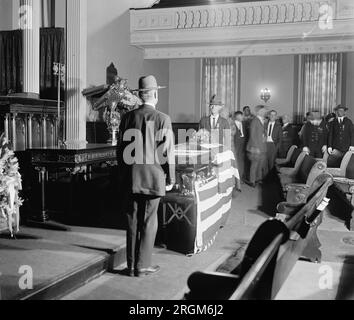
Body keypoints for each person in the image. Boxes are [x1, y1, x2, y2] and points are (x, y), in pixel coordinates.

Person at [117, 75, 175, 277]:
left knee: (132, 220)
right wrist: (171, 178)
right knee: (150, 221)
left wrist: (124, 175)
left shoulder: (127, 118)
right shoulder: (162, 118)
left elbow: (120, 152)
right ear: (155, 94)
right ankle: (143, 265)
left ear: (140, 96)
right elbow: (166, 153)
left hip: (131, 177)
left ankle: (131, 265)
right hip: (153, 177)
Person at [246, 105, 267, 188]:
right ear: (258, 111)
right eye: (263, 111)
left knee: (260, 165)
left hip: (262, 146)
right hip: (256, 147)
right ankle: (252, 181)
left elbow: (262, 133)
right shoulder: (255, 120)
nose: (264, 112)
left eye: (264, 111)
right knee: (254, 165)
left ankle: (258, 179)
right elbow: (252, 135)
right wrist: (256, 147)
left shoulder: (262, 120)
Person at [234, 111, 247, 181]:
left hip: (242, 146)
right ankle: (236, 179)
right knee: (236, 162)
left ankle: (240, 177)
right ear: (237, 117)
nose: (243, 117)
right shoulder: (232, 124)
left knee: (241, 162)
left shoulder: (243, 124)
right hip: (235, 146)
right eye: (242, 116)